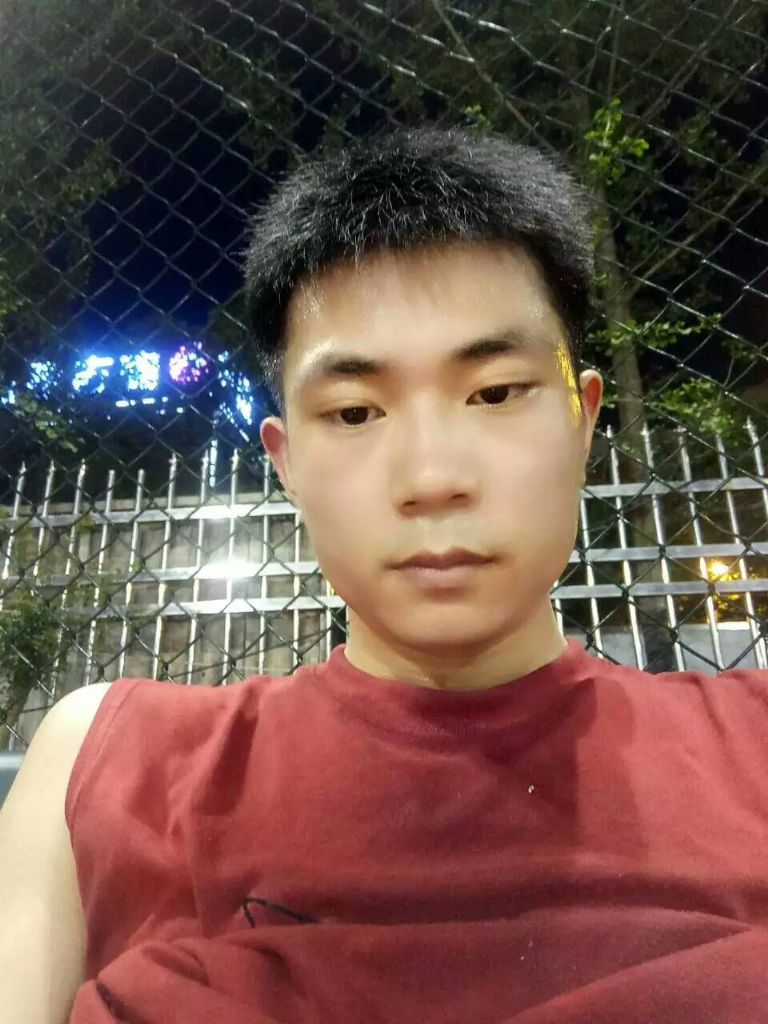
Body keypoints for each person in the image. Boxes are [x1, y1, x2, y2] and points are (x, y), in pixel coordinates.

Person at [1, 124, 766, 1024]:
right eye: (356, 412)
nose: (432, 477)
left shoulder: (753, 744)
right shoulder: (109, 761)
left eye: (495, 392)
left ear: (582, 418)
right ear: (285, 460)